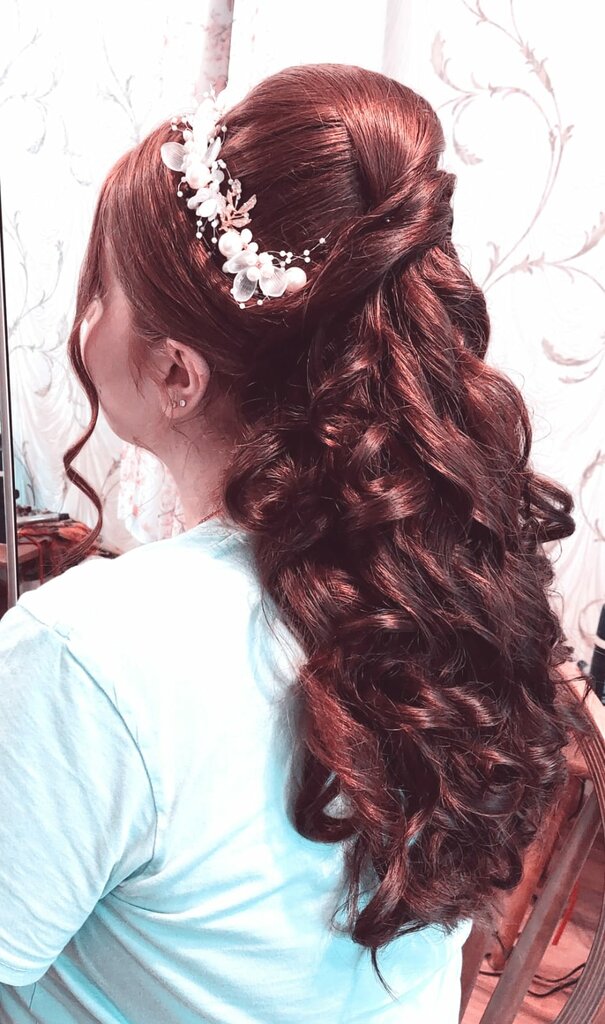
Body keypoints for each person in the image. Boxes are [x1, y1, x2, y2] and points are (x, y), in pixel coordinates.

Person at [0, 63, 581, 1023]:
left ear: (177, 374)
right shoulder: (439, 580)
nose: (84, 322)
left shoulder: (86, 656)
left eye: (99, 293)